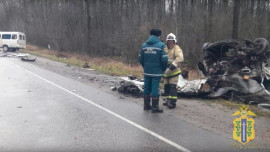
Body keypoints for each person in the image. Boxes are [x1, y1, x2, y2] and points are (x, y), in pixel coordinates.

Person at [139, 29, 168, 113]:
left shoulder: (144, 45)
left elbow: (140, 58)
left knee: (146, 87)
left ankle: (146, 105)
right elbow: (164, 59)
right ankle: (155, 107)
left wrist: (145, 66)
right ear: (159, 36)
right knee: (155, 88)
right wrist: (163, 68)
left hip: (147, 71)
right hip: (156, 71)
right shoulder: (161, 45)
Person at [163, 33, 184, 109]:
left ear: (174, 41)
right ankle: (168, 99)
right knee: (166, 87)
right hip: (166, 71)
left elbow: (180, 58)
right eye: (169, 41)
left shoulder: (176, 48)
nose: (170, 42)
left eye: (171, 41)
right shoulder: (165, 48)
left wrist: (172, 66)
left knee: (172, 87)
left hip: (174, 71)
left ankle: (172, 102)